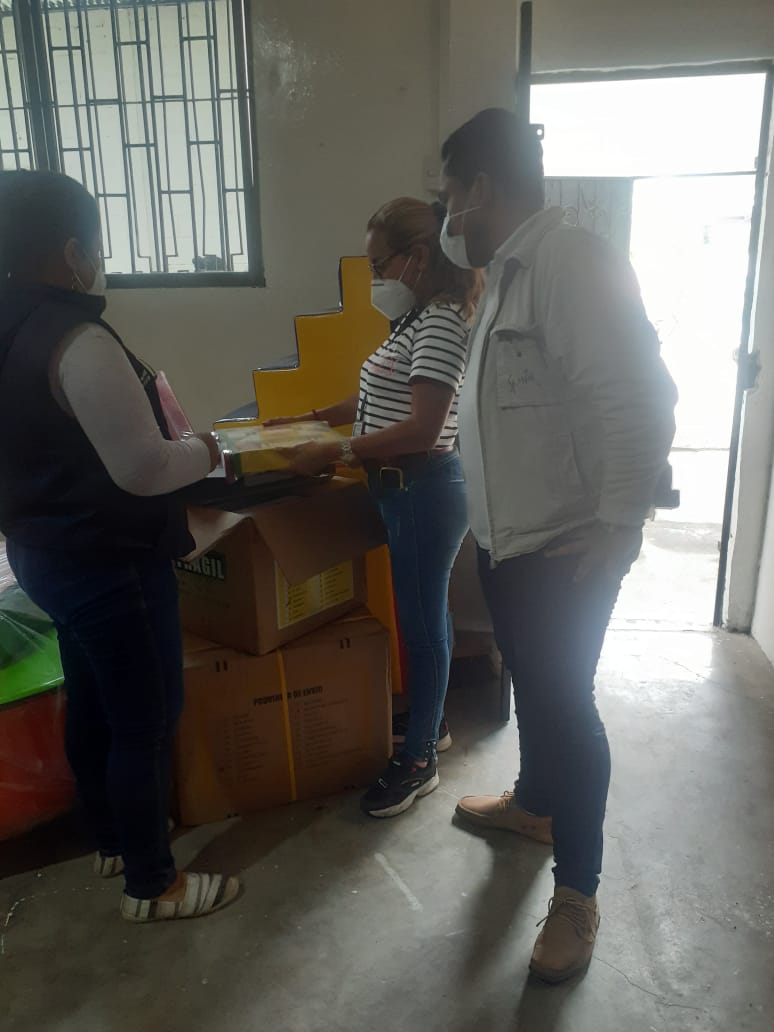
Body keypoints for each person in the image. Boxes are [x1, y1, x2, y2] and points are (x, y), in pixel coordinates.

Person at [438, 109, 677, 983]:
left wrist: (619, 526)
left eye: (449, 194)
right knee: (538, 693)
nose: (447, 213)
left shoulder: (570, 262)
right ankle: (535, 804)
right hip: (509, 543)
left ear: (482, 188)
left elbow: (639, 397)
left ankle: (578, 891)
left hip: (566, 552)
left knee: (566, 708)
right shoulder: (507, 276)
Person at [0, 170, 239, 922]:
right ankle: (152, 883)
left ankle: (109, 837)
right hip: (109, 562)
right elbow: (143, 468)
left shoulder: (9, 323)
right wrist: (210, 448)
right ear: (72, 250)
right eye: (95, 243)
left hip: (43, 552)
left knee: (94, 699)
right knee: (145, 717)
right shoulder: (76, 337)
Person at [267, 197, 481, 818]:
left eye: (378, 264)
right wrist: (309, 419)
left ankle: (419, 762)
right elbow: (374, 394)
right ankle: (432, 726)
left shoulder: (440, 322)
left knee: (421, 625)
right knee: (427, 617)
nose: (373, 277)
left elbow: (423, 429)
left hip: (422, 489)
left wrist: (333, 449)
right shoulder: (415, 319)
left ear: (417, 258)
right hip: (402, 488)